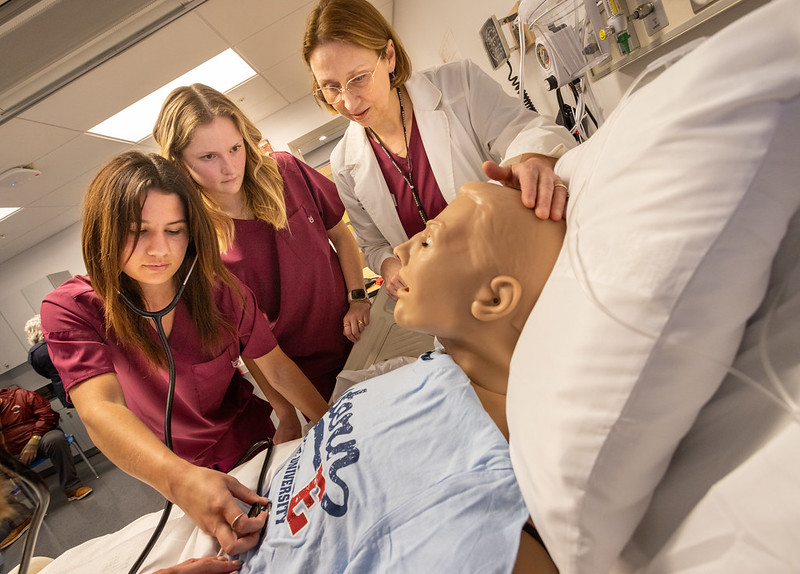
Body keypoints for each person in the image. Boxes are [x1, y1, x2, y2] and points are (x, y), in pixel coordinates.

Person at [236, 181, 564, 573]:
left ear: (494, 299)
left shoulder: (473, 508)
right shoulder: (431, 372)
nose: (401, 249)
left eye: (427, 242)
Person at [40, 151, 330, 556]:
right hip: (172, 469)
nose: (160, 250)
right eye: (138, 231)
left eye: (175, 230)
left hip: (252, 444)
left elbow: (275, 365)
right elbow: (101, 408)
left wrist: (326, 425)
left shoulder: (220, 292)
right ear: (102, 232)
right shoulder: (71, 309)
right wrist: (182, 482)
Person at [302, 0, 576, 299]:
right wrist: (390, 267)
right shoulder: (343, 163)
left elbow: (528, 131)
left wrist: (532, 160)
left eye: (358, 78)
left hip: (516, 264)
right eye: (330, 87)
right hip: (447, 297)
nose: (349, 102)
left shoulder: (459, 84)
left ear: (389, 57)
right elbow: (373, 245)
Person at [153, 84, 370, 404]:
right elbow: (244, 340)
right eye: (209, 156)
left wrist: (358, 299)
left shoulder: (286, 171)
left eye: (235, 149)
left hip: (360, 334)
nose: (229, 168)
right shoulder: (192, 240)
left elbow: (339, 233)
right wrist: (284, 411)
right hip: (301, 376)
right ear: (179, 164)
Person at [0, 387, 93, 504]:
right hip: (11, 456)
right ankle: (21, 517)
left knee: (55, 439)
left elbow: (48, 415)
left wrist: (34, 440)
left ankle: (72, 488)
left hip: (39, 441)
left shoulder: (21, 395)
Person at [25, 315, 69, 408]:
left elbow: (45, 374)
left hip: (64, 390)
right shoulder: (59, 340)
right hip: (83, 382)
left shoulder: (34, 353)